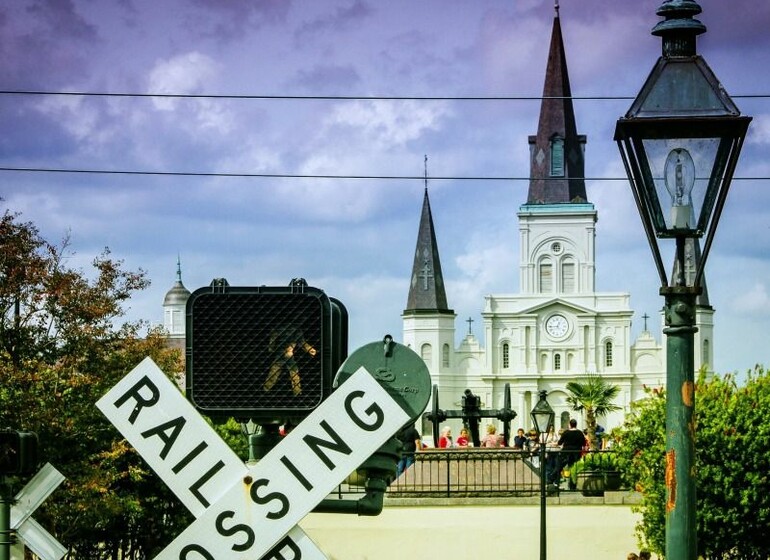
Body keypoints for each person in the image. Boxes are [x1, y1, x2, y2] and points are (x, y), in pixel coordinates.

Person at [558, 418, 587, 488]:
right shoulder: (580, 433)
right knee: (574, 468)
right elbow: (583, 443)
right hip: (576, 453)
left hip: (566, 453)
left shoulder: (566, 432)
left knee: (559, 466)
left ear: (570, 425)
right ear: (576, 425)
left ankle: (553, 480)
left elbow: (560, 442)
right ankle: (573, 484)